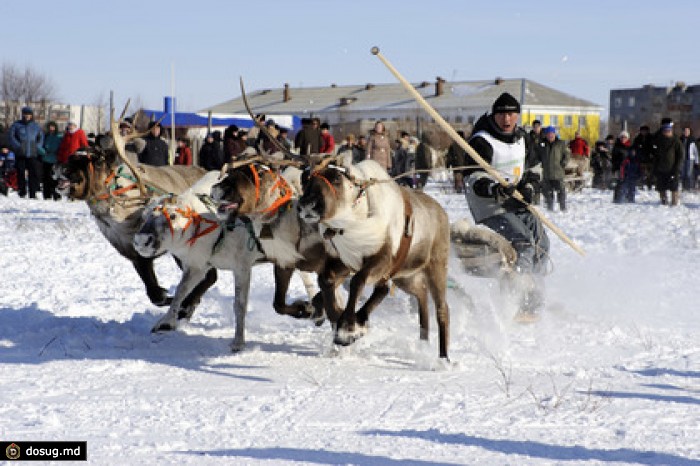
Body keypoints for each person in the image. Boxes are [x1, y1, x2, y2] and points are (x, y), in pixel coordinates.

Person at [463, 92, 549, 317]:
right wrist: (495, 189)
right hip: (489, 206)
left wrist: (530, 187)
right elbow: (472, 180)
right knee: (524, 244)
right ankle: (516, 298)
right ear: (494, 115)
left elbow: (533, 169)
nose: (507, 119)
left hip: (516, 200)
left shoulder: (523, 138)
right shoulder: (481, 141)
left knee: (542, 243)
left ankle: (534, 295)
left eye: (511, 114)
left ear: (518, 116)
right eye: (502, 114)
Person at [8, 106, 44, 198]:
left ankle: (33, 193)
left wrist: (37, 146)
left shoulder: (36, 126)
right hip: (21, 151)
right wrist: (18, 146)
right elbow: (11, 137)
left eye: (29, 114)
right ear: (22, 115)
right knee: (20, 172)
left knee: (33, 173)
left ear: (31, 115)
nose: (27, 116)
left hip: (32, 151)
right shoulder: (16, 125)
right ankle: (22, 191)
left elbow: (41, 137)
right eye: (25, 114)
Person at [651, 118, 684, 206]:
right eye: (665, 130)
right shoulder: (658, 140)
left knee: (674, 186)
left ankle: (674, 202)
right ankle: (663, 201)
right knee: (661, 186)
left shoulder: (676, 140)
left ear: (671, 131)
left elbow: (680, 155)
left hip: (673, 167)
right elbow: (654, 153)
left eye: (668, 130)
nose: (667, 132)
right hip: (661, 167)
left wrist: (677, 166)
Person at [539, 126, 571, 212]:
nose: (550, 136)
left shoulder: (561, 143)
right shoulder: (542, 144)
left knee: (561, 191)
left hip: (558, 172)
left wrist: (563, 163)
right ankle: (550, 208)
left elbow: (567, 155)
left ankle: (563, 208)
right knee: (548, 193)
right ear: (546, 135)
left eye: (551, 134)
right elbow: (539, 155)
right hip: (547, 173)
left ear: (554, 134)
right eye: (548, 134)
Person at [41, 121, 62, 200]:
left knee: (55, 179)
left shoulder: (59, 136)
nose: (51, 128)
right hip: (46, 159)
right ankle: (47, 195)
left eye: (53, 127)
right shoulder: (45, 136)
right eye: (50, 127)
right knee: (46, 179)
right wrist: (43, 151)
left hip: (55, 160)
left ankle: (56, 195)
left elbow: (61, 146)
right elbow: (41, 145)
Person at [632, 125, 654, 190]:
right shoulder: (638, 138)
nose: (644, 132)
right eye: (642, 131)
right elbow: (634, 147)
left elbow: (654, 147)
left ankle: (649, 185)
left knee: (650, 173)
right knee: (642, 172)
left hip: (650, 159)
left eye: (645, 131)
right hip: (641, 158)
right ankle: (641, 185)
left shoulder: (651, 138)